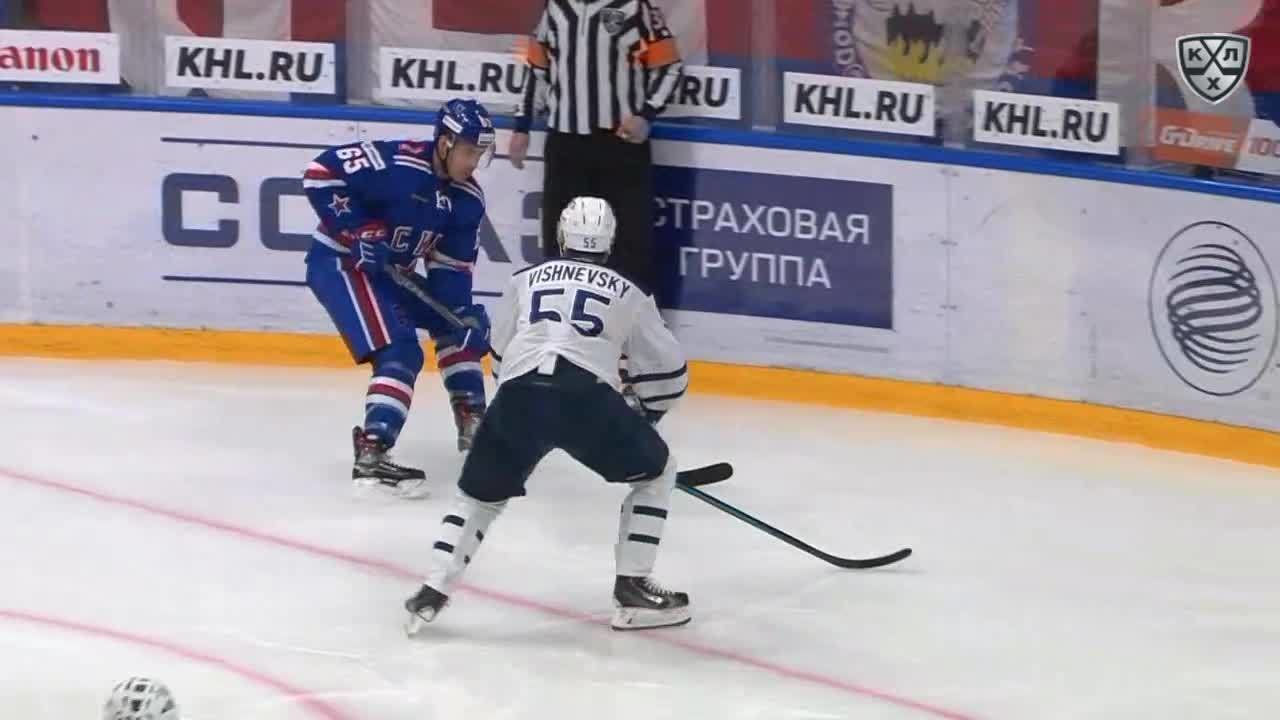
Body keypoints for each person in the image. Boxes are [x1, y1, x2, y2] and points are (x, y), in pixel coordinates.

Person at [403, 196, 691, 632]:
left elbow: (501, 356)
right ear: (610, 241)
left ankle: (432, 590)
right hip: (586, 399)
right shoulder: (631, 292)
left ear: (560, 236)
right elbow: (670, 373)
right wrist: (645, 414)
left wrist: (525, 413)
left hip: (517, 396)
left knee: (478, 497)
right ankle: (633, 590)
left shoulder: (523, 280)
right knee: (657, 472)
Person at [303, 98, 497, 499]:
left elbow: (450, 274)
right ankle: (373, 450)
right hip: (343, 265)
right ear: (444, 142)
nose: (474, 162)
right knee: (401, 351)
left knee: (459, 325)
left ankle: (473, 421)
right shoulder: (396, 164)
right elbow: (320, 173)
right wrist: (357, 230)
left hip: (392, 274)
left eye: (479, 153)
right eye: (468, 151)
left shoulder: (467, 200)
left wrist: (458, 314)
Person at [508, 0, 684, 295]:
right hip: (565, 146)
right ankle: (558, 314)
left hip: (620, 146)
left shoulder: (634, 7)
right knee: (560, 241)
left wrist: (646, 114)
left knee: (629, 244)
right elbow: (537, 68)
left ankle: (630, 320)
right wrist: (522, 125)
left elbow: (669, 65)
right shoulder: (556, 8)